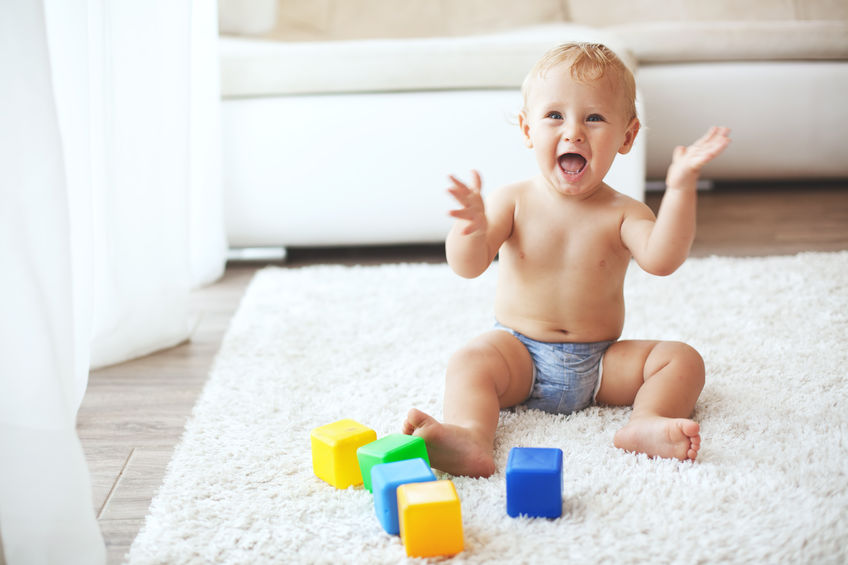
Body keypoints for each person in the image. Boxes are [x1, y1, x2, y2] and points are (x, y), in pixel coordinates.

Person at [402, 42, 731, 478]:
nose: (573, 132)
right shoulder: (512, 201)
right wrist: (471, 229)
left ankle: (645, 422)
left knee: (682, 360)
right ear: (527, 130)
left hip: (599, 366)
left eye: (594, 118)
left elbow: (663, 259)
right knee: (470, 360)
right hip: (518, 355)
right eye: (554, 116)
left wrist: (681, 188)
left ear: (627, 137)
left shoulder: (625, 212)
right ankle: (469, 436)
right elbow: (468, 265)